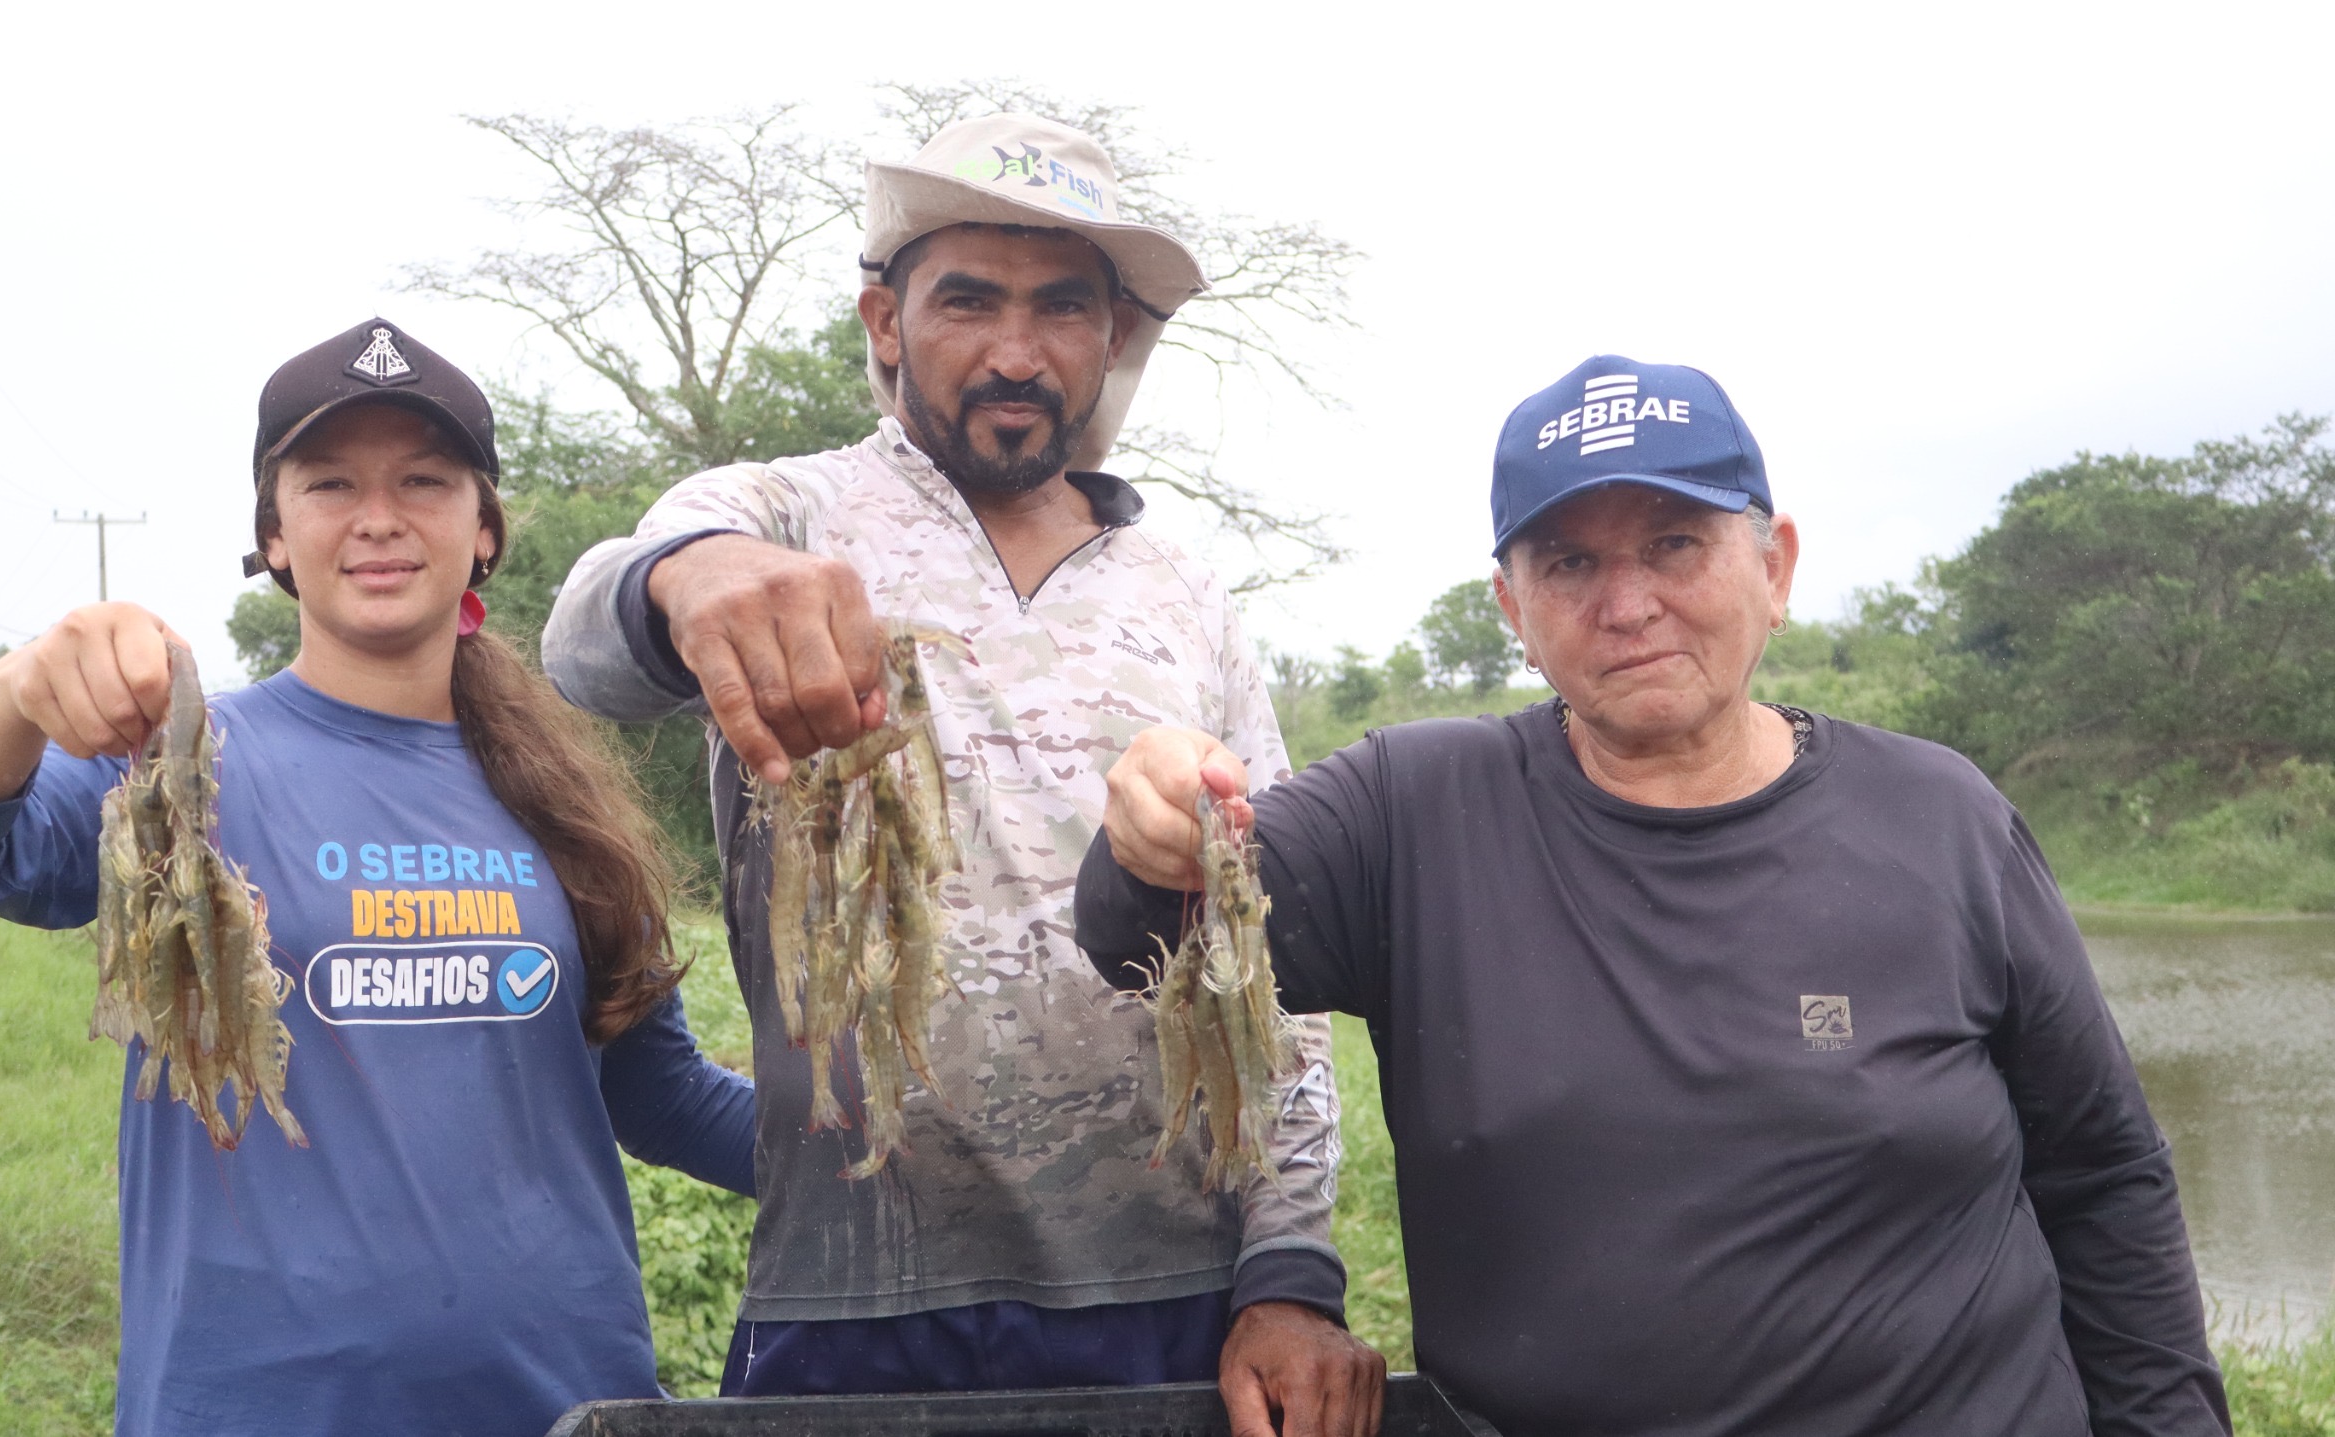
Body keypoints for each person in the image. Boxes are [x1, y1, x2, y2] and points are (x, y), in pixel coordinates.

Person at [1077, 356, 2230, 1437]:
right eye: (1568, 563)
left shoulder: (1941, 817)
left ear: (1772, 567)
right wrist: (1155, 829)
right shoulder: (1412, 811)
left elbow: (2101, 1170)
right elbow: (1145, 940)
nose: (1625, 604)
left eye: (1674, 544)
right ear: (1511, 608)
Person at [541, 114, 1383, 1436]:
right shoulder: (786, 511)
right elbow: (586, 645)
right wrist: (684, 580)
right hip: (853, 1302)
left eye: (1061, 307)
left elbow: (1273, 967)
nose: (1014, 348)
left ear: (1110, 338)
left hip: (1162, 1300)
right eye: (967, 301)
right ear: (884, 320)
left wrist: (1290, 1273)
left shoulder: (1187, 598)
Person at [0, 319, 757, 1437]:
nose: (379, 517)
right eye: (330, 483)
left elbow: (663, 1099)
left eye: (425, 480)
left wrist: (956, 1164)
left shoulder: (566, 803)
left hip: (565, 1403)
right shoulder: (172, 769)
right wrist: (18, 686)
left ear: (483, 530)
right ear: (275, 537)